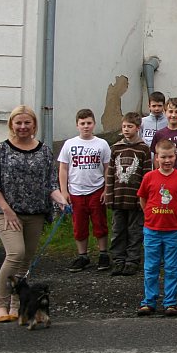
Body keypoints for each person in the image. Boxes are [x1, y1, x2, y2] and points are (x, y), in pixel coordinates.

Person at [0, 106, 68, 323]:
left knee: (25, 260)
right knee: (16, 254)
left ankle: (16, 306)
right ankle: (1, 305)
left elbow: (50, 184)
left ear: (34, 125)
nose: (23, 127)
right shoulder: (0, 150)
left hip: (35, 212)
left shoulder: (44, 151)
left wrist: (61, 200)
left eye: (27, 123)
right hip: (6, 212)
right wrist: (6, 209)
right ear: (11, 125)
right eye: (18, 123)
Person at [136, 139, 177, 316]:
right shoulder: (149, 177)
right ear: (157, 158)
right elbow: (143, 198)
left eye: (170, 157)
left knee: (172, 268)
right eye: (163, 157)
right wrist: (149, 214)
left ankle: (170, 302)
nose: (167, 160)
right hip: (152, 229)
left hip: (172, 230)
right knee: (151, 267)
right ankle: (149, 301)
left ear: (175, 156)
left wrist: (176, 215)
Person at [59, 108, 112, 273]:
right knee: (79, 225)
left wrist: (107, 189)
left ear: (94, 124)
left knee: (100, 223)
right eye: (82, 123)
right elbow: (63, 168)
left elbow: (107, 168)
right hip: (76, 191)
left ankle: (103, 253)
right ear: (77, 125)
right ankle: (82, 255)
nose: (86, 126)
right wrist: (64, 191)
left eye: (89, 123)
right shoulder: (69, 144)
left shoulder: (102, 144)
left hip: (96, 189)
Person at [105, 112, 151, 276]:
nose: (126, 129)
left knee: (135, 231)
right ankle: (118, 260)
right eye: (124, 126)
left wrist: (143, 199)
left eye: (130, 126)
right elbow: (110, 173)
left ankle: (132, 261)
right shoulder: (116, 148)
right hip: (118, 197)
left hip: (135, 200)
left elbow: (147, 175)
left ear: (137, 128)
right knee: (118, 231)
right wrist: (108, 194)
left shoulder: (143, 149)